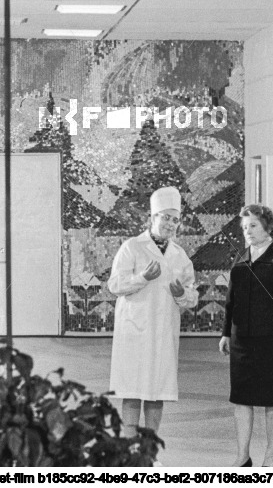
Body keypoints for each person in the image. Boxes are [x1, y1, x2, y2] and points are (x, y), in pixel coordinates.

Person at [219, 204, 273, 467]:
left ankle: (270, 456)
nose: (247, 231)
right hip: (242, 341)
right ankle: (242, 457)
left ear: (269, 227)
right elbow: (231, 300)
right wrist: (226, 334)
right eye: (244, 227)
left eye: (253, 225)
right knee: (241, 399)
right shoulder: (241, 258)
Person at [108, 186, 198, 439]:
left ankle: (148, 448)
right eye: (166, 217)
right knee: (132, 390)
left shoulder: (179, 255)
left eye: (175, 220)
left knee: (157, 392)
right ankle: (129, 448)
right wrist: (142, 278)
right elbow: (115, 285)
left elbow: (192, 296)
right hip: (134, 331)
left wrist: (181, 294)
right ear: (153, 217)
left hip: (163, 332)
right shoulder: (132, 247)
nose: (171, 224)